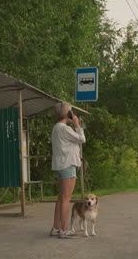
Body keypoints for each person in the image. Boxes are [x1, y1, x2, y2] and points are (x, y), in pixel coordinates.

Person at [49, 102, 86, 239]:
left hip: (61, 164)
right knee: (66, 199)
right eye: (71, 111)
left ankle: (56, 228)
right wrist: (77, 125)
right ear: (67, 113)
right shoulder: (65, 128)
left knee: (61, 198)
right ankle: (64, 230)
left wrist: (76, 154)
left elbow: (65, 146)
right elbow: (82, 139)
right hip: (67, 165)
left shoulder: (57, 128)